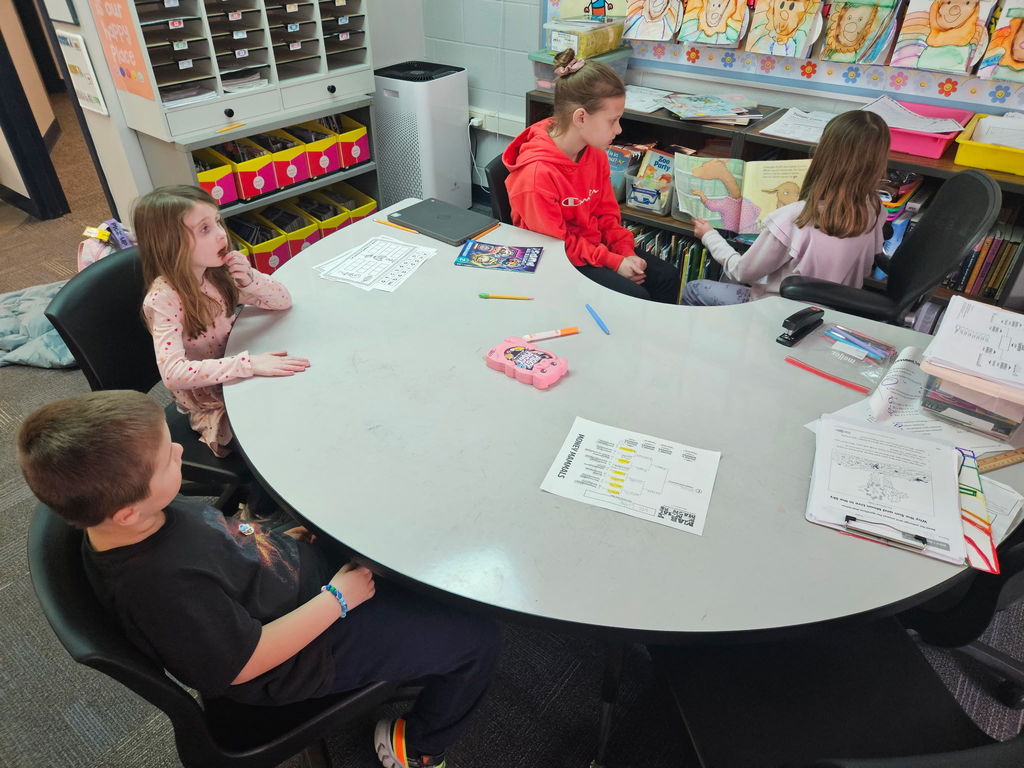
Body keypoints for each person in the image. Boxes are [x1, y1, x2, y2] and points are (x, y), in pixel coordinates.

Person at [17, 390, 501, 768]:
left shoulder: (146, 515)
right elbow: (243, 663)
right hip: (298, 655)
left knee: (386, 513)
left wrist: (282, 537)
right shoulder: (160, 589)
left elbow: (226, 543)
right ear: (127, 512)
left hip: (292, 583)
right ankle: (416, 746)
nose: (180, 451)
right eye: (167, 458)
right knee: (475, 639)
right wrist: (338, 599)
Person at [135, 185, 310, 458]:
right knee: (286, 432)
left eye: (217, 222)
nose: (221, 234)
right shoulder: (164, 298)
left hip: (238, 372)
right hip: (211, 401)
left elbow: (282, 301)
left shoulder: (215, 274)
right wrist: (248, 364)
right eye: (205, 229)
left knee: (302, 397)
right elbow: (172, 373)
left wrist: (250, 279)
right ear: (171, 243)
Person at [503, 48, 681, 303]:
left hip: (591, 247)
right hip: (556, 257)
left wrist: (625, 252)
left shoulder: (594, 154)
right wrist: (613, 262)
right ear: (581, 118)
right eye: (612, 121)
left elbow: (607, 215)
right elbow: (557, 244)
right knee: (634, 296)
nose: (618, 130)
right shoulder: (536, 175)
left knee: (667, 277)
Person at [683, 110, 889, 306]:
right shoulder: (876, 209)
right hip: (835, 310)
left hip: (779, 312)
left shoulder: (795, 217)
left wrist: (709, 235)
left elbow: (741, 272)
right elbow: (864, 270)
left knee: (694, 288)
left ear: (823, 152)